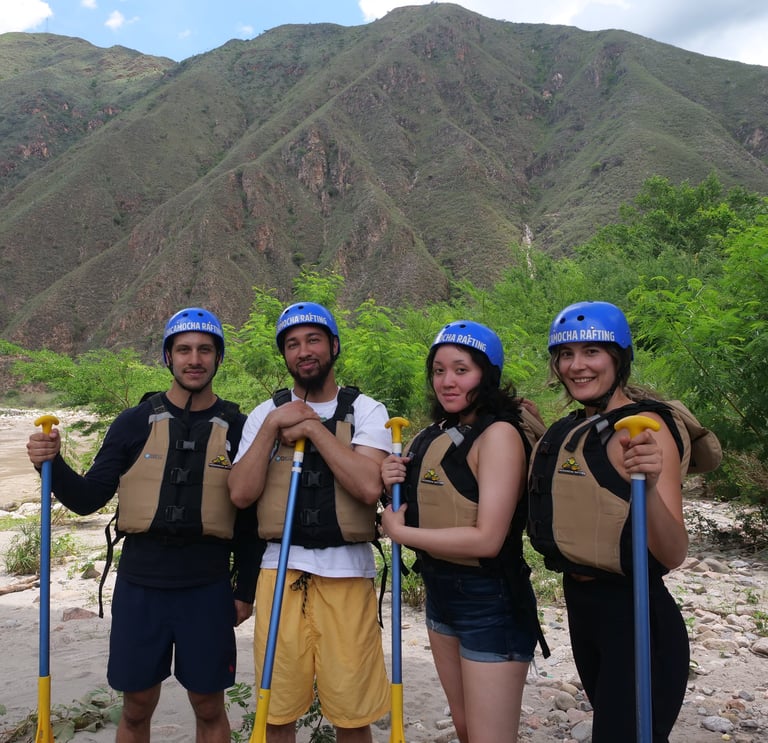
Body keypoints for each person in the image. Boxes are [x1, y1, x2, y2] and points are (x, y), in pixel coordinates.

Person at [26, 307, 262, 743]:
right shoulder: (133, 423)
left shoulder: (239, 428)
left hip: (206, 588)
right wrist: (52, 462)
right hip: (141, 585)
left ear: (218, 358)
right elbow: (86, 499)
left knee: (209, 706)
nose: (195, 359)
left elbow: (249, 526)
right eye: (184, 350)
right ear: (167, 357)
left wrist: (244, 591)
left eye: (205, 350)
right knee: (135, 708)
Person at [527, 300, 690, 743]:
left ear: (619, 358)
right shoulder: (574, 426)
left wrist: (652, 484)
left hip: (636, 615)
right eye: (565, 354)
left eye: (592, 352)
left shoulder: (643, 427)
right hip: (584, 610)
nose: (576, 366)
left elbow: (674, 552)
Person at [228, 301, 390, 743]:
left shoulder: (368, 411)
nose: (304, 351)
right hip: (278, 569)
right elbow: (241, 493)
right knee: (276, 707)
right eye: (293, 344)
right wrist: (272, 427)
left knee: (352, 713)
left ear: (333, 346)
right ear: (285, 356)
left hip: (347, 572)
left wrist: (315, 429)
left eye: (313, 340)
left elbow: (368, 487)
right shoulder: (265, 413)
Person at [380, 320, 544, 743]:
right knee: (467, 727)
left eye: (461, 370)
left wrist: (402, 535)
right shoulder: (431, 435)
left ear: (487, 374)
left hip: (492, 601)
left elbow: (488, 539)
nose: (447, 381)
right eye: (438, 371)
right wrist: (392, 476)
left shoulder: (500, 436)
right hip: (442, 595)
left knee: (490, 736)